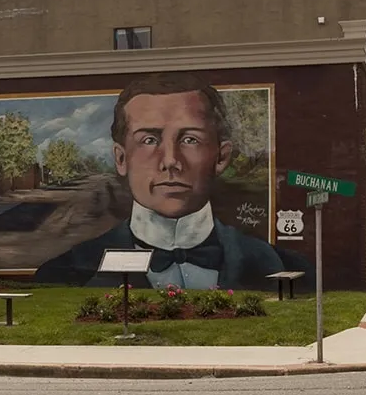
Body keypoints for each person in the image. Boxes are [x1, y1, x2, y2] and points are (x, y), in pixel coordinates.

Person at [33, 73, 310, 290]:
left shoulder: (289, 269)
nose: (170, 161)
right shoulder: (63, 273)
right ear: (121, 158)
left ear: (221, 157)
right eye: (149, 140)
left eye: (190, 139)